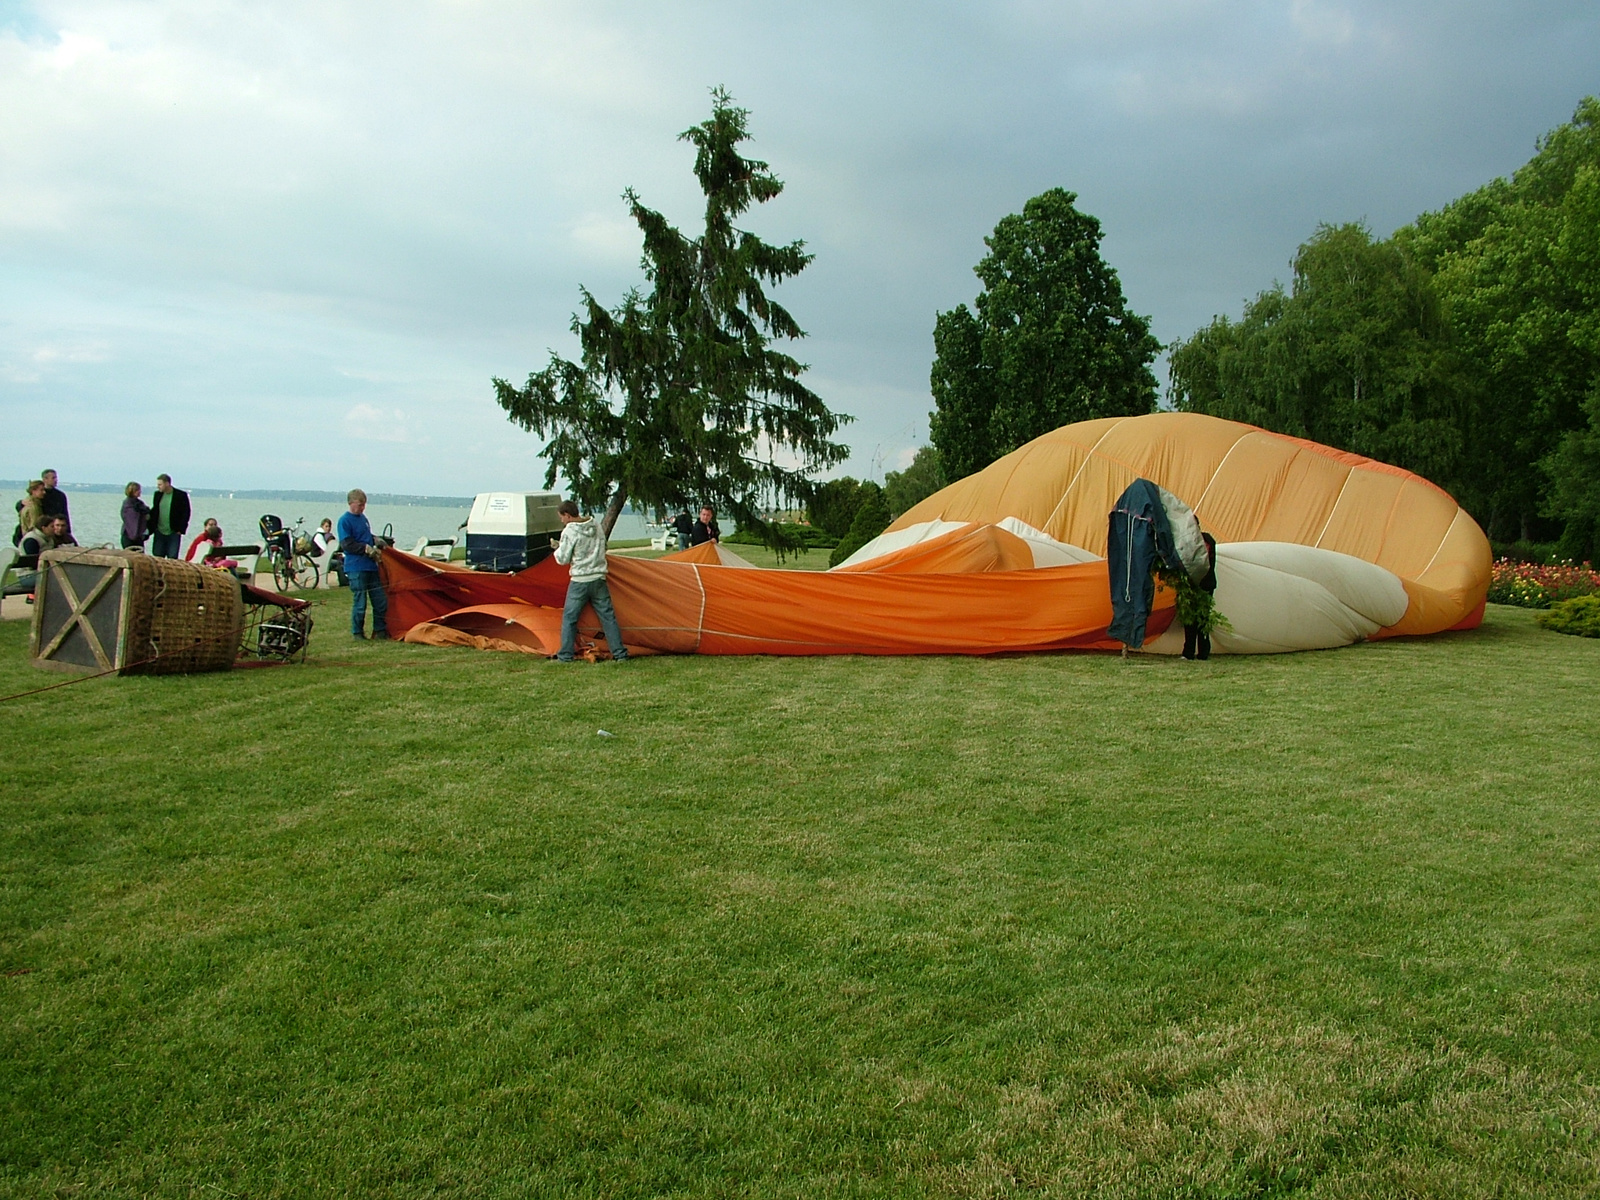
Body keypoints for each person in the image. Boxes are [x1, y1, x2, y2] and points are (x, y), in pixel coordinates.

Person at [551, 500, 628, 663]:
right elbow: (602, 547)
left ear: (567, 515)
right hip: (599, 578)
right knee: (608, 618)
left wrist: (556, 549)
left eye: (561, 517)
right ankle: (620, 653)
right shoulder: (596, 526)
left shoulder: (569, 531)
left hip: (579, 580)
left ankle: (565, 655)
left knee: (570, 618)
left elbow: (563, 559)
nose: (561, 521)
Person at [338, 488, 388, 639]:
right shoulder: (344, 521)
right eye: (360, 505)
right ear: (351, 503)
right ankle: (358, 632)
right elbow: (347, 544)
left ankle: (380, 630)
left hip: (371, 566)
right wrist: (364, 548)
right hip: (356, 567)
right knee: (360, 603)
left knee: (380, 601)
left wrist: (375, 539)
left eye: (364, 505)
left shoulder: (363, 519)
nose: (362, 508)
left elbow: (365, 536)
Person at [1182, 532, 1219, 661]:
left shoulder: (1205, 540)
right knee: (1190, 620)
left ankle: (1202, 652)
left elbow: (1201, 561)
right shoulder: (1189, 540)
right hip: (1191, 585)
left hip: (1204, 584)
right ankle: (1189, 652)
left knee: (1202, 619)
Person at [148, 473, 191, 559]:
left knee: (172, 556)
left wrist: (181, 529)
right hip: (159, 531)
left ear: (167, 483)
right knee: (158, 556)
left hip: (174, 531)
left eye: (160, 484)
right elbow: (155, 511)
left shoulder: (180, 495)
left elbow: (186, 512)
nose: (158, 486)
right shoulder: (157, 495)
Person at [14, 480, 47, 545]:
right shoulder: (33, 506)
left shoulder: (31, 502)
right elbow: (34, 525)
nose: (44, 492)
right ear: (33, 491)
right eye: (41, 490)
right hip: (31, 538)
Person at [39, 469, 70, 538]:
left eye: (56, 478)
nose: (56, 480)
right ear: (45, 479)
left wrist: (68, 531)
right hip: (45, 528)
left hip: (59, 528)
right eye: (53, 478)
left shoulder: (61, 495)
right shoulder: (40, 495)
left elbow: (65, 513)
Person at [121, 482, 151, 550]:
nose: (139, 492)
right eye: (137, 490)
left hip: (139, 536)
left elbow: (146, 515)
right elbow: (128, 519)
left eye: (139, 490)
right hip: (127, 535)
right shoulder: (127, 504)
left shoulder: (140, 503)